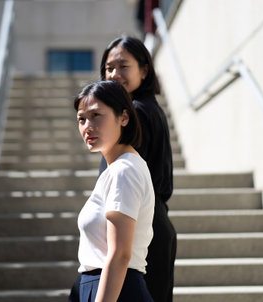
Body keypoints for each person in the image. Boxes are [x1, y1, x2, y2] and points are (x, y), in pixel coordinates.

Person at [68, 36, 176, 302]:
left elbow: (120, 255)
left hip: (136, 226)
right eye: (108, 68)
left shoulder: (138, 117)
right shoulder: (149, 108)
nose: (114, 74)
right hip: (145, 222)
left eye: (122, 66)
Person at [74, 80, 155, 302]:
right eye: (82, 119)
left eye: (96, 115)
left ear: (124, 117)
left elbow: (120, 254)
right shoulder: (115, 170)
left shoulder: (124, 171)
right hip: (105, 286)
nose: (87, 126)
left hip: (116, 290)